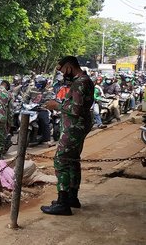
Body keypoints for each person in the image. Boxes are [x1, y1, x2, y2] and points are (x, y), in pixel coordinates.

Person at [42, 56, 94, 216]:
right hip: (77, 127)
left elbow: (76, 109)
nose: (63, 74)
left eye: (63, 70)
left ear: (70, 67)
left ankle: (63, 203)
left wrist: (56, 105)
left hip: (73, 128)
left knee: (61, 160)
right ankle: (72, 197)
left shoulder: (80, 83)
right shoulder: (85, 80)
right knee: (72, 160)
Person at [23, 75, 56, 146]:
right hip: (31, 109)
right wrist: (23, 102)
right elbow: (26, 98)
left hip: (41, 109)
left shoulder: (47, 92)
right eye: (36, 84)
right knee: (22, 118)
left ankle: (48, 140)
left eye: (39, 84)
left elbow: (48, 101)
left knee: (45, 122)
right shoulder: (31, 89)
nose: (37, 85)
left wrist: (42, 106)